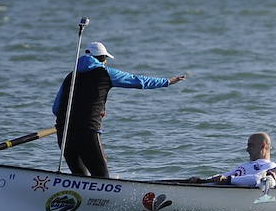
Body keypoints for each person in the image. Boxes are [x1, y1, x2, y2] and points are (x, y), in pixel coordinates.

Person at [51, 41, 186, 178]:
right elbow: (137, 81)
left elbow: (56, 109)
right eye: (105, 59)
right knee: (101, 177)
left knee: (79, 176)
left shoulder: (70, 77)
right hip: (87, 131)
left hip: (63, 130)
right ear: (102, 58)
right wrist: (167, 82)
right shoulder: (105, 73)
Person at [189, 132, 275, 185]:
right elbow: (225, 176)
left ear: (263, 146)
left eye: (251, 146)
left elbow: (258, 179)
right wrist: (201, 181)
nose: (247, 149)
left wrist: (229, 180)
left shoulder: (270, 166)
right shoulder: (245, 165)